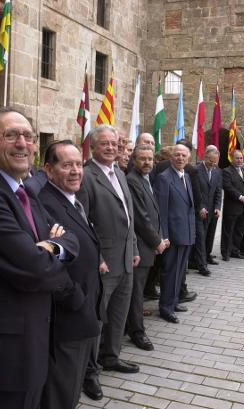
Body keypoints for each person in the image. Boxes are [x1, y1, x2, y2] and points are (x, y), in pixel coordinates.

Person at [0, 106, 83, 409]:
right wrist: (52, 245)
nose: (23, 143)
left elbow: (70, 237)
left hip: (32, 338)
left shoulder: (22, 188)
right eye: (11, 135)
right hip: (9, 348)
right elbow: (35, 267)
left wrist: (50, 245)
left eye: (28, 136)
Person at [37, 140, 103, 408]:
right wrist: (73, 298)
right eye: (67, 165)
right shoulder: (46, 204)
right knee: (61, 393)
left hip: (84, 311)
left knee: (72, 389)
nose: (75, 170)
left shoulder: (72, 199)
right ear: (49, 170)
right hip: (67, 316)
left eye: (78, 164)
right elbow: (49, 260)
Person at [76, 125, 141, 392]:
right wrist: (97, 256)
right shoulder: (87, 176)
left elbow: (129, 216)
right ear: (93, 147)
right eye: (105, 144)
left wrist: (134, 247)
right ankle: (90, 373)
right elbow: (81, 221)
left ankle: (111, 357)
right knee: (97, 318)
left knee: (118, 313)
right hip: (103, 262)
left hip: (126, 259)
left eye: (115, 144)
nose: (112, 148)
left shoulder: (120, 174)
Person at [126, 144, 166, 351]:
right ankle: (137, 332)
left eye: (150, 159)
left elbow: (152, 213)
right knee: (136, 293)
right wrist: (156, 241)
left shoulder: (145, 178)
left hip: (147, 245)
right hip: (140, 247)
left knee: (137, 291)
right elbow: (141, 218)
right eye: (142, 158)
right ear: (134, 160)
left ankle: (130, 326)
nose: (147, 162)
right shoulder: (133, 180)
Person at [154, 144, 195, 324]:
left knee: (180, 272)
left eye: (183, 155)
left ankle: (174, 300)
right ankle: (165, 307)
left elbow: (187, 206)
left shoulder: (185, 176)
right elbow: (161, 210)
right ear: (171, 158)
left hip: (186, 233)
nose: (180, 158)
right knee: (170, 272)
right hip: (172, 236)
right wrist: (164, 235)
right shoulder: (164, 178)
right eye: (176, 155)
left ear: (188, 158)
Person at [221, 149, 244, 261]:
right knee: (228, 231)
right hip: (232, 207)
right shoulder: (227, 171)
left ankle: (235, 251)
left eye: (241, 158)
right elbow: (228, 187)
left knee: (239, 231)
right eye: (237, 158)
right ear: (232, 158)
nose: (239, 160)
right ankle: (226, 252)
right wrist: (241, 197)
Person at [196, 145, 223, 268]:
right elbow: (195, 192)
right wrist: (200, 207)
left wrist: (218, 207)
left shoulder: (217, 171)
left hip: (212, 210)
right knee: (201, 237)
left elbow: (218, 191)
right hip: (199, 211)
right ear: (205, 157)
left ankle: (206, 256)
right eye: (211, 161)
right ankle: (202, 265)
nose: (213, 164)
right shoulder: (196, 170)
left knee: (209, 236)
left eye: (215, 162)